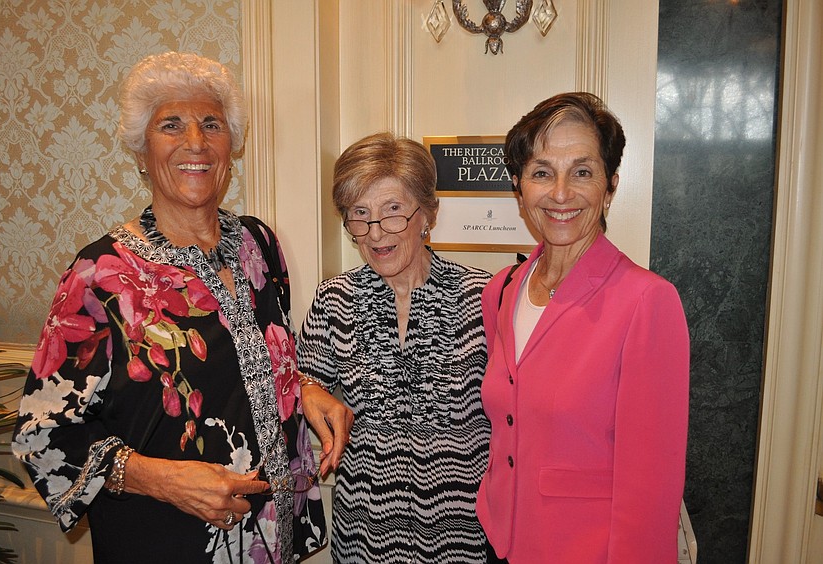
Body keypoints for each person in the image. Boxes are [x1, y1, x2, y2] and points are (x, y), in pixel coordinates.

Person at [12, 52, 326, 564]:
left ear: (232, 145)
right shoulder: (99, 275)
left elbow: (270, 360)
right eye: (171, 125)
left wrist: (307, 389)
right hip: (163, 541)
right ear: (140, 151)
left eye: (211, 124)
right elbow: (40, 434)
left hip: (271, 541)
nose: (196, 142)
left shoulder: (258, 244)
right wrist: (162, 479)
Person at [478, 92, 689, 563]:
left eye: (582, 172)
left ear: (610, 187)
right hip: (502, 541)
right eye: (541, 173)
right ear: (518, 188)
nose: (560, 193)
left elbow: (651, 488)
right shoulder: (502, 290)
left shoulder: (647, 302)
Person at [294, 132, 493, 563]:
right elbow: (299, 380)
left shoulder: (484, 297)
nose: (375, 232)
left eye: (394, 211)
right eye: (359, 215)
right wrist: (308, 388)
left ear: (429, 214)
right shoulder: (334, 299)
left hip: (466, 541)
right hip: (365, 539)